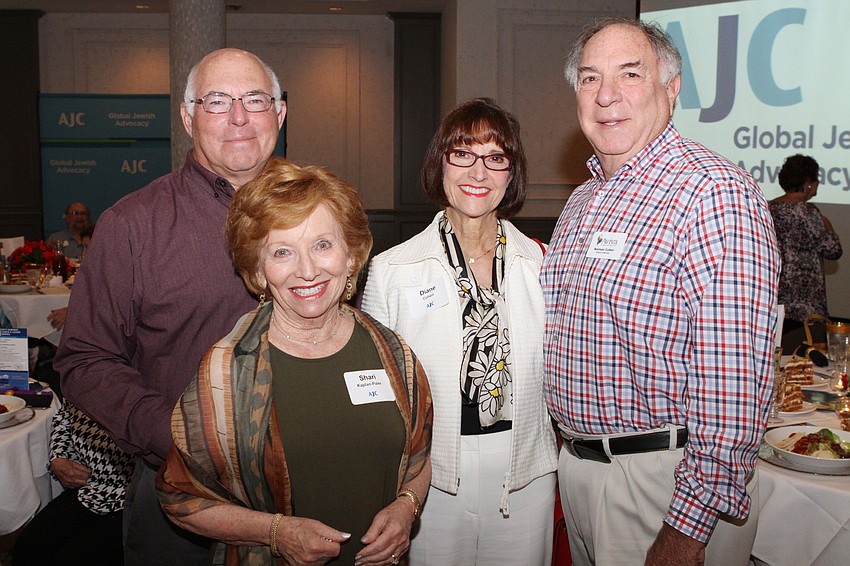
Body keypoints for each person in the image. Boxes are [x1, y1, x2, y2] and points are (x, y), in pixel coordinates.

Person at [541, 17, 780, 565]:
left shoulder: (711, 192)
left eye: (630, 74)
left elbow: (734, 381)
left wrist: (686, 528)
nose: (606, 96)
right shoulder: (582, 202)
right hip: (580, 474)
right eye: (589, 78)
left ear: (671, 88)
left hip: (665, 488)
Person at [53, 47, 286, 565]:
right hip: (176, 493)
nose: (239, 117)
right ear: (186, 116)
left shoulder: (322, 212)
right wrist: (179, 438)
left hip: (303, 479)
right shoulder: (132, 226)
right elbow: (85, 359)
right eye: (217, 101)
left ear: (280, 113)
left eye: (255, 99)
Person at [156, 158, 433, 566]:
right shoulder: (228, 370)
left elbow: (419, 459)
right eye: (282, 251)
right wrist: (275, 532)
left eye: (322, 245)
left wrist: (406, 508)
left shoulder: (391, 353)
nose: (307, 271)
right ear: (258, 270)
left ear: (351, 256)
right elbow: (179, 496)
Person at [362, 97, 558, 564]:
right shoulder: (393, 270)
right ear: (440, 162)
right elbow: (377, 394)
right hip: (432, 477)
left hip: (525, 471)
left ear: (512, 173)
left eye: (496, 158)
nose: (478, 172)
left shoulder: (542, 265)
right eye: (463, 154)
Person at [11, 402, 134, 566]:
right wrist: (58, 456)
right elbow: (64, 416)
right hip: (89, 488)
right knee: (28, 549)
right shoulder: (84, 379)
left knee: (73, 558)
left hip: (132, 495)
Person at [769, 154, 842, 333]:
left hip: (775, 302)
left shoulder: (767, 208)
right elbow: (833, 250)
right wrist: (828, 226)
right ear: (808, 182)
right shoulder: (808, 212)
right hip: (805, 308)